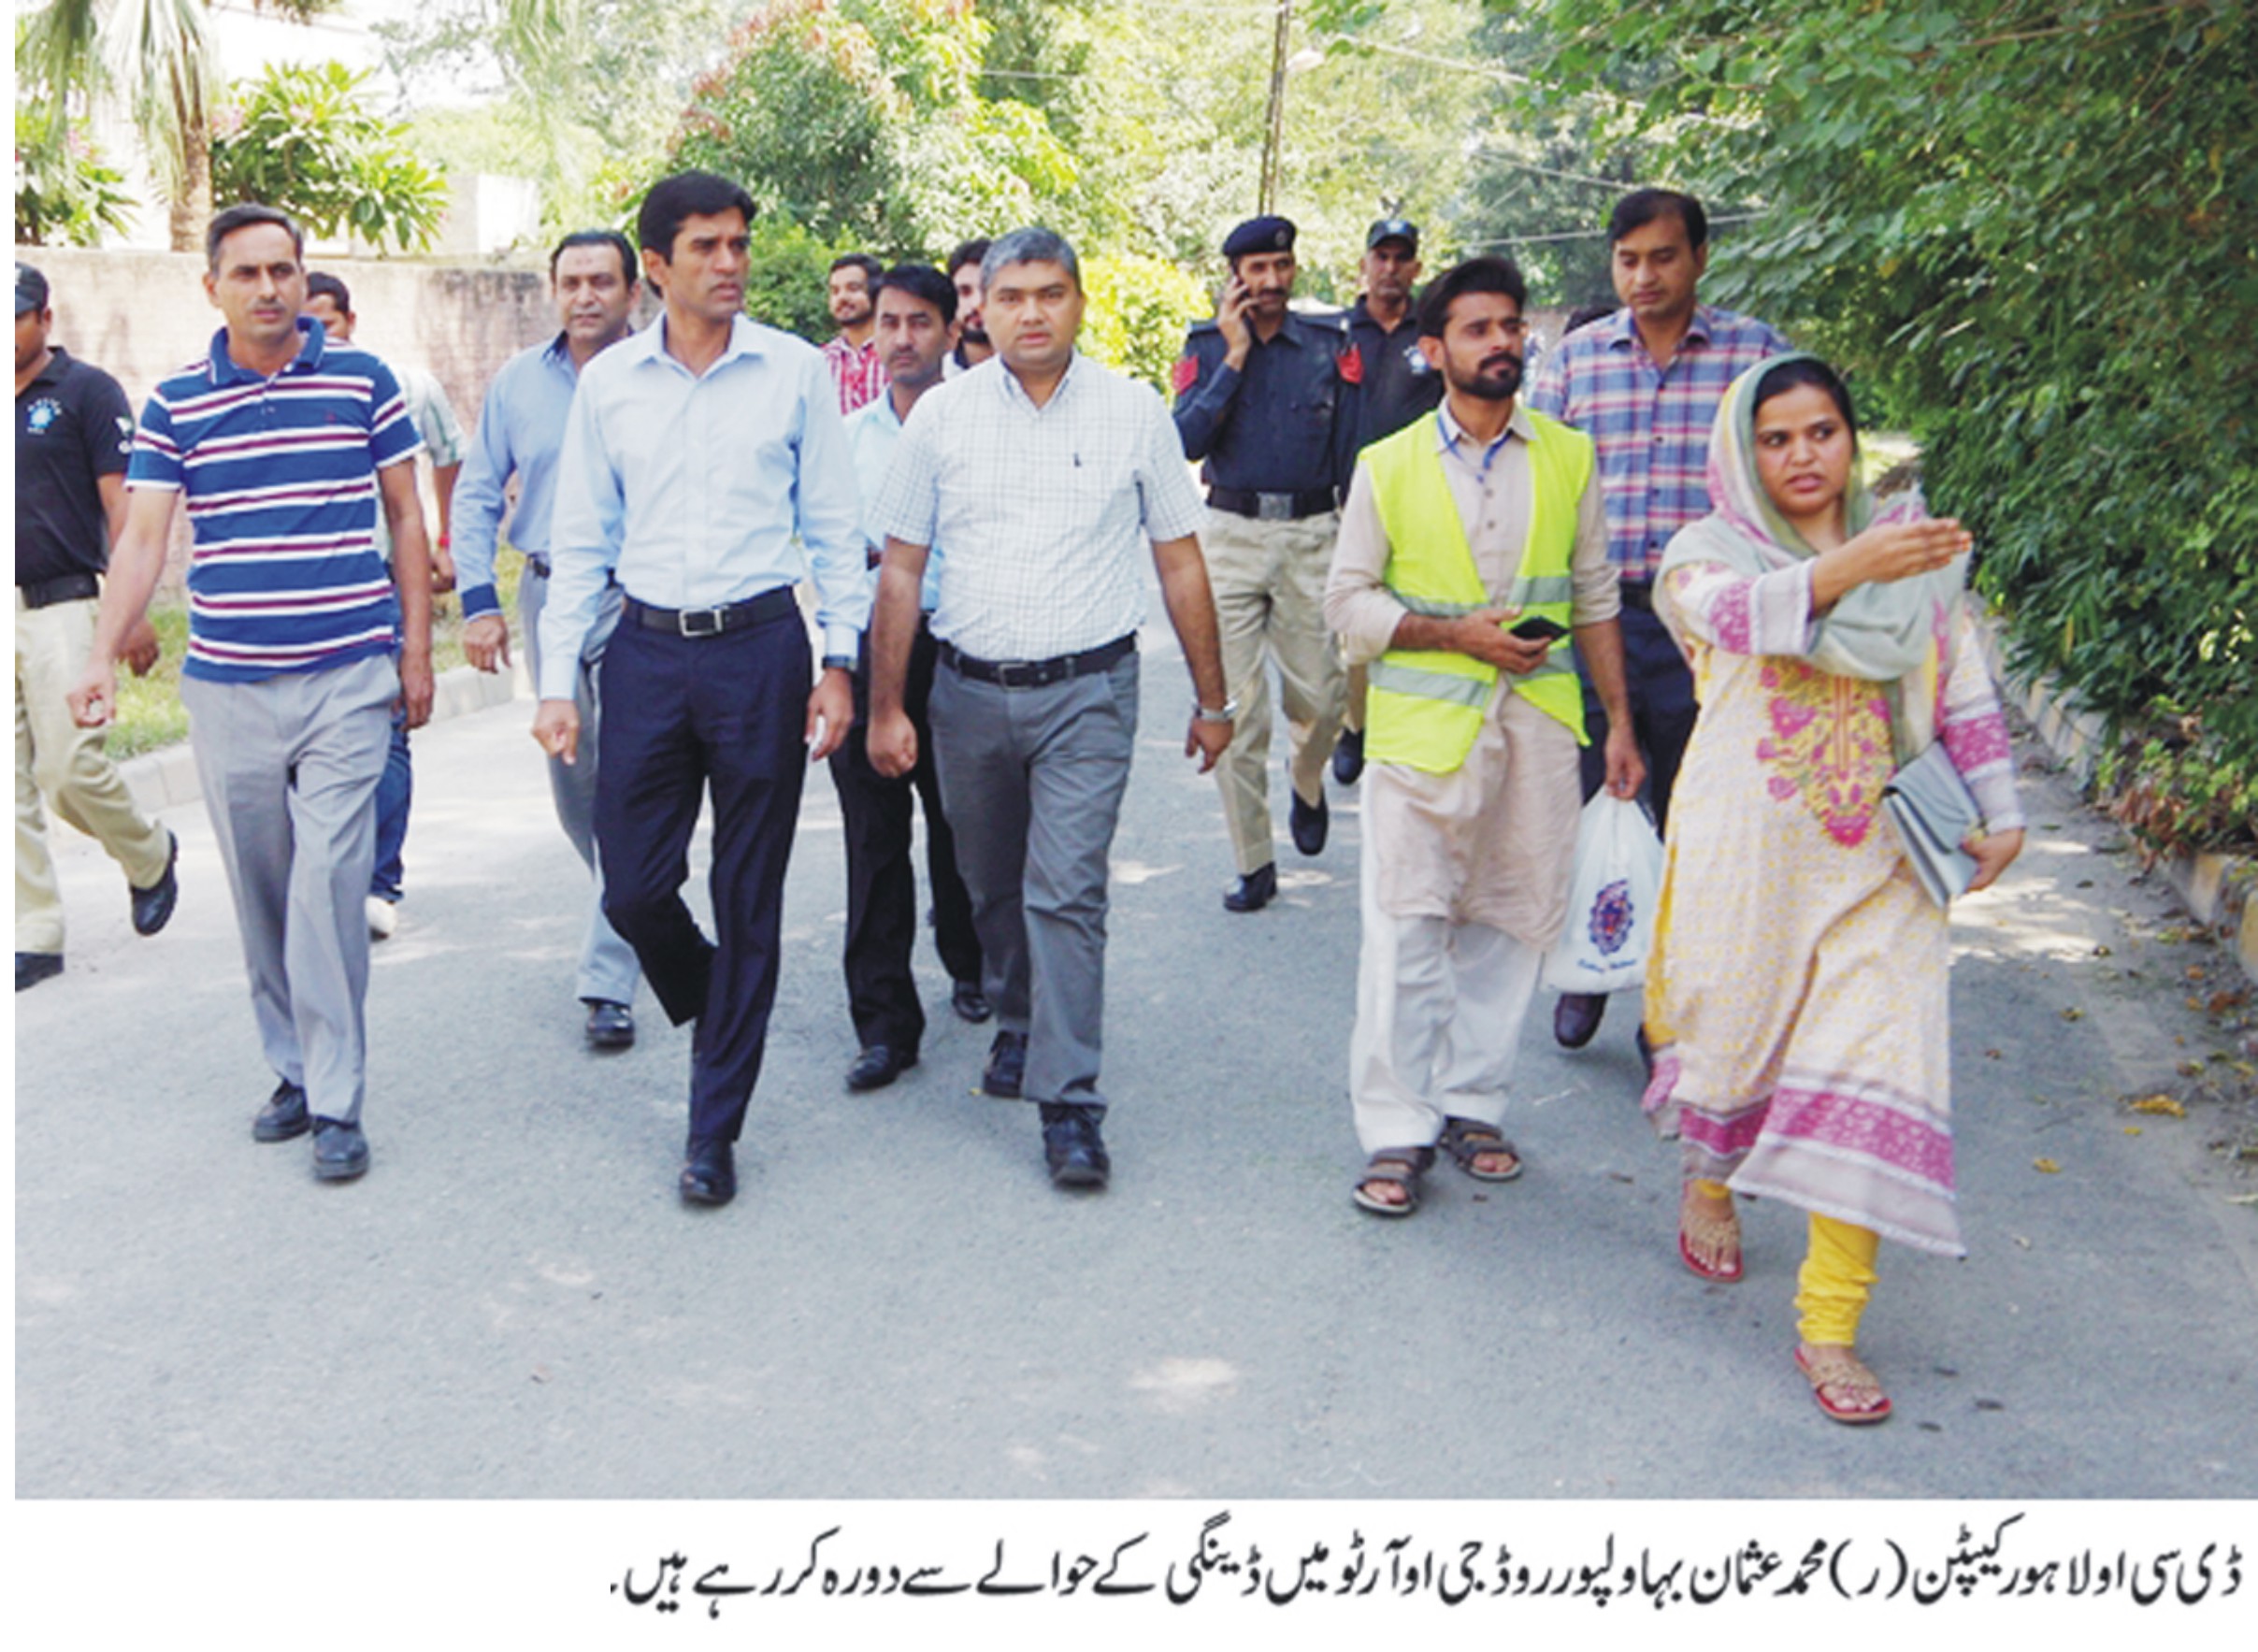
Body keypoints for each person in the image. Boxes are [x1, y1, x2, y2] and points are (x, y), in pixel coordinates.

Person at [1645, 354, 2024, 1423]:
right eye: (1776, 438)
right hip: (1746, 855)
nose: (1802, 455)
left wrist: (2002, 813)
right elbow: (1733, 618)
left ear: (1852, 440)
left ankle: (1829, 1325)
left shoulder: (1913, 561)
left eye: (1822, 432)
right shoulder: (1704, 553)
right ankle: (1711, 1178)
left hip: (1883, 857)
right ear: (1743, 453)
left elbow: (1961, 687)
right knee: (1733, 1047)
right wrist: (1852, 565)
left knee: (1873, 1067)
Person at [68, 203, 436, 1184]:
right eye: (247, 273)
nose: (268, 289)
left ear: (303, 277)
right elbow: (144, 538)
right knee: (264, 891)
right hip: (229, 684)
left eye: (283, 269)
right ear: (212, 287)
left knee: (327, 885)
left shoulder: (363, 380)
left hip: (348, 675)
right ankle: (294, 1068)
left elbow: (407, 518)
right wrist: (101, 653)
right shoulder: (176, 403)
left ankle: (338, 1097)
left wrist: (415, 652)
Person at [867, 226, 1231, 1190]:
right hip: (967, 698)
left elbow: (1180, 560)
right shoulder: (940, 420)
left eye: (1050, 294)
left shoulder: (1133, 412)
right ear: (981, 308)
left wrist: (1214, 698)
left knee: (1065, 890)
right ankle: (1019, 1017)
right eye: (1011, 296)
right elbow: (900, 570)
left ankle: (1069, 1102)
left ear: (1079, 302)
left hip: (1088, 695)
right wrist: (887, 707)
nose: (1031, 313)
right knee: (991, 887)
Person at [534, 172, 866, 1209]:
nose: (730, 263)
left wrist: (840, 662)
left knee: (748, 890)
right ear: (657, 266)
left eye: (739, 244)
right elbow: (580, 540)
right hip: (643, 651)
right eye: (706, 247)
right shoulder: (611, 385)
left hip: (760, 651)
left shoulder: (794, 371)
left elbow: (835, 530)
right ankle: (715, 992)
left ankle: (711, 1131)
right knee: (632, 884)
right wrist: (556, 683)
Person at [1324, 256, 1640, 1218]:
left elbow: (1595, 598)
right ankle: (1396, 1128)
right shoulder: (1387, 465)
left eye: (1510, 325)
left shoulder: (1568, 457)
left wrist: (1619, 723)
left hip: (1538, 730)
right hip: (1420, 739)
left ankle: (1474, 1108)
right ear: (1434, 350)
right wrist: (1452, 636)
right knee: (1407, 930)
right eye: (1477, 328)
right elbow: (1347, 607)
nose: (1502, 342)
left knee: (1509, 925)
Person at [1530, 188, 1790, 1052]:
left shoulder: (1754, 358)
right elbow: (1536, 489)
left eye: (1662, 257)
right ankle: (1588, 970)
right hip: (1596, 618)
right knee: (1590, 799)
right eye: (1628, 260)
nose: (1643, 276)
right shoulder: (1575, 362)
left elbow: (1794, 481)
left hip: (1707, 630)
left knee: (1694, 816)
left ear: (1699, 258)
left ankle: (1666, 1000)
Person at [452, 228, 645, 1051]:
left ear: (634, 290)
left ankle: (608, 982)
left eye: (602, 281)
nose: (585, 296)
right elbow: (475, 492)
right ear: (553, 291)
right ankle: (637, 896)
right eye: (571, 282)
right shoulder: (518, 383)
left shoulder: (662, 374)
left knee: (633, 786)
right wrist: (478, 600)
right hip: (549, 589)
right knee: (576, 784)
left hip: (639, 599)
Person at [829, 263, 987, 1093]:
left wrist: (893, 555)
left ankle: (973, 963)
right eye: (888, 322)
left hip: (961, 648)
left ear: (950, 330)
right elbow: (828, 553)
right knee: (873, 841)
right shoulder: (845, 440)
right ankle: (884, 1024)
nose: (901, 338)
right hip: (868, 652)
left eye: (919, 322)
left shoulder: (985, 430)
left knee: (962, 825)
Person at [1172, 214, 1357, 912]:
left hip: (1313, 533)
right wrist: (1234, 355)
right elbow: (1185, 441)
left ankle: (1307, 783)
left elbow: (1349, 450)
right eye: (1257, 269)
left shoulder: (1329, 346)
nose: (1271, 280)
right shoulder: (1205, 344)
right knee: (1236, 709)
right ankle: (1253, 860)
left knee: (1323, 696)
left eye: (1281, 266)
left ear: (1293, 268)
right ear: (1235, 277)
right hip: (1230, 535)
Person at [15, 261, 179, 991]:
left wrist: (131, 611)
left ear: (45, 319)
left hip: (64, 607)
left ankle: (149, 853)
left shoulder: (85, 391)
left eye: (15, 315)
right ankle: (34, 931)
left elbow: (124, 507)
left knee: (67, 770)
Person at [302, 270, 467, 941]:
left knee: (388, 723)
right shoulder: (274, 390)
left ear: (351, 320)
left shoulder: (402, 384)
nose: (317, 336)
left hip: (385, 572)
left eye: (326, 322)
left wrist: (445, 542)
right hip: (309, 586)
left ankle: (377, 880)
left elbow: (450, 458)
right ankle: (323, 874)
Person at [1331, 216, 1445, 789]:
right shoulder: (1337, 334)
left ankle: (1413, 731)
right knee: (1355, 629)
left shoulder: (1434, 334)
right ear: (1365, 265)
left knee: (1419, 620)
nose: (1391, 268)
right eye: (1382, 257)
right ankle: (1355, 725)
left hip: (1423, 503)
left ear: (1416, 267)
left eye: (1402, 258)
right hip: (1349, 500)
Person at [821, 251, 888, 414]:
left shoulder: (897, 353)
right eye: (835, 291)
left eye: (853, 289)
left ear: (877, 293)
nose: (842, 298)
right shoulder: (822, 361)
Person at [944, 238, 993, 372]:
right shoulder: (937, 375)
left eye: (986, 290)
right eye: (965, 292)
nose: (977, 303)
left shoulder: (1035, 371)